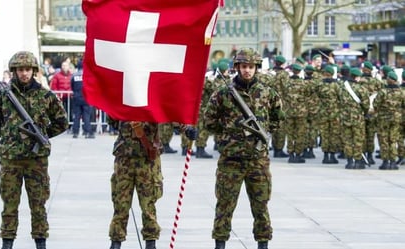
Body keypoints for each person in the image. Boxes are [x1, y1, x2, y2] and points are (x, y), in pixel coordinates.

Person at [0, 51, 68, 249]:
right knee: (9, 205)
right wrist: (8, 135)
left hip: (36, 160)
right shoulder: (4, 96)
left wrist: (41, 136)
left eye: (28, 69)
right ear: (14, 71)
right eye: (20, 70)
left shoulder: (45, 95)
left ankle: (40, 242)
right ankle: (7, 242)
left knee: (38, 205)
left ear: (34, 71)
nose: (24, 73)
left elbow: (62, 122)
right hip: (10, 159)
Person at [204, 48, 284, 249]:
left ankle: (263, 243)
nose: (247, 70)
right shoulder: (223, 93)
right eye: (243, 66)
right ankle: (220, 243)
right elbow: (209, 121)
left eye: (251, 67)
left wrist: (263, 134)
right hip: (231, 160)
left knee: (261, 206)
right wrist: (226, 138)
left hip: (258, 160)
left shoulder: (268, 93)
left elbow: (278, 118)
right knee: (224, 205)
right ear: (237, 67)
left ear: (256, 68)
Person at [107, 119, 197, 249]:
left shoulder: (154, 98)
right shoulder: (122, 98)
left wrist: (186, 129)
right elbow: (112, 118)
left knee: (148, 206)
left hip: (147, 159)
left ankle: (151, 243)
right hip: (124, 159)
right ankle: (116, 242)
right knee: (120, 205)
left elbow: (169, 111)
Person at [338, 68, 370, 169]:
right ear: (357, 77)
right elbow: (366, 105)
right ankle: (357, 161)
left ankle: (349, 161)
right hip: (357, 118)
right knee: (358, 139)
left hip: (345, 117)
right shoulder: (361, 89)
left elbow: (338, 100)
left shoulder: (342, 87)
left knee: (347, 140)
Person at [373, 71, 405, 170]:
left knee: (384, 140)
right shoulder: (401, 92)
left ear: (389, 80)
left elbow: (375, 105)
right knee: (393, 140)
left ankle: (385, 162)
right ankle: (393, 162)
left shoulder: (383, 92)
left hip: (383, 119)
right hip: (396, 119)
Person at [283, 63, 308, 163]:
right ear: (300, 71)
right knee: (300, 133)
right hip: (301, 112)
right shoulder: (304, 84)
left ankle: (290, 154)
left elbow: (284, 95)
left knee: (290, 134)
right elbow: (308, 96)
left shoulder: (287, 83)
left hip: (289, 111)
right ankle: (298, 154)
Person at [317, 65, 341, 164]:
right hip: (334, 113)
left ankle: (325, 156)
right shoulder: (337, 85)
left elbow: (318, 95)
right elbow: (340, 97)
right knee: (334, 134)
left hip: (323, 112)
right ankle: (332, 155)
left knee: (325, 134)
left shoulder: (320, 85)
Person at [71, 60, 94, 139]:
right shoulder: (88, 75)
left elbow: (72, 86)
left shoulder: (74, 75)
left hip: (77, 98)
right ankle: (88, 132)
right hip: (86, 98)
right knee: (86, 116)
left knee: (77, 116)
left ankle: (75, 133)